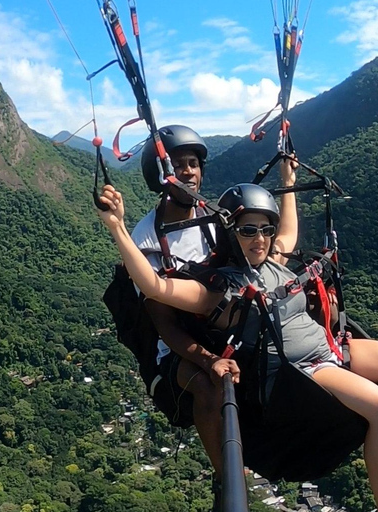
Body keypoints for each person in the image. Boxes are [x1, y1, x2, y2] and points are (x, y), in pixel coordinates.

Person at [97, 162, 378, 511]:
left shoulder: (272, 261)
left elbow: (288, 232)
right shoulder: (221, 287)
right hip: (303, 367)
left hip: (329, 345)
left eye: (266, 229)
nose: (260, 239)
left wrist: (287, 180)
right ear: (230, 232)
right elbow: (156, 286)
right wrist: (118, 229)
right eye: (249, 230)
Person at [129, 125, 239, 485]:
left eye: (193, 163)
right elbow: (165, 326)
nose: (189, 171)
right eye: (178, 166)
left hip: (221, 326)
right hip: (178, 348)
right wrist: (209, 361)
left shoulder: (213, 218)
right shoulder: (146, 239)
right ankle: (227, 480)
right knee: (209, 388)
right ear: (160, 177)